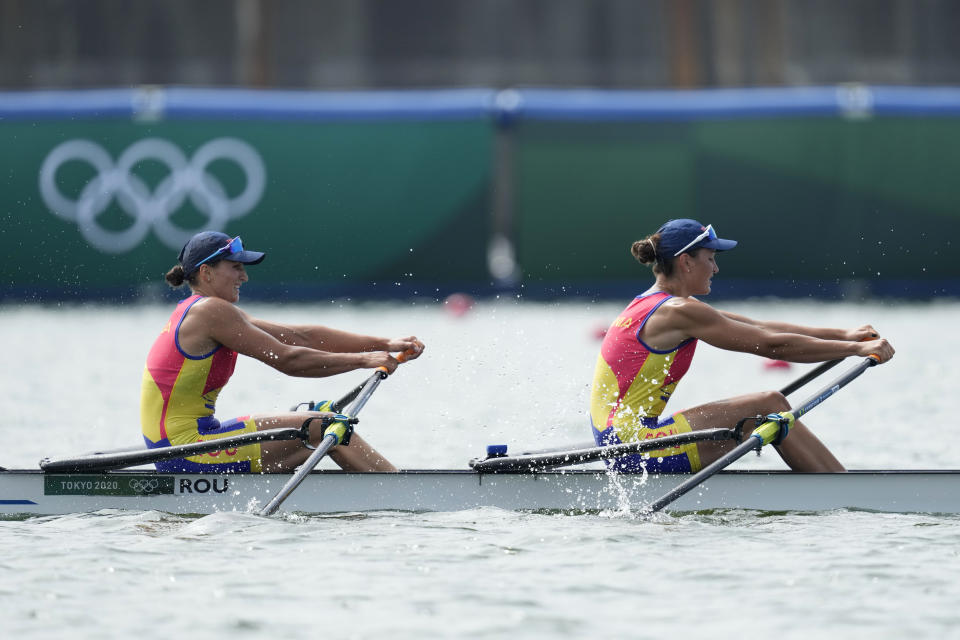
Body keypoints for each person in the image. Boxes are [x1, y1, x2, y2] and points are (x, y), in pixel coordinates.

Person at [589, 219, 894, 473]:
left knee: (766, 408)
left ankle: (835, 484)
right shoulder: (677, 312)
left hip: (624, 441)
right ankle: (842, 491)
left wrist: (845, 335)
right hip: (635, 445)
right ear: (686, 262)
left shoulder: (656, 305)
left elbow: (761, 327)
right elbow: (773, 347)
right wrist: (855, 351)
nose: (716, 268)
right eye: (710, 258)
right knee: (769, 404)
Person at [140, 231, 424, 473]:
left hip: (186, 442)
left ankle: (386, 489)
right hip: (185, 449)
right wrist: (363, 360)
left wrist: (385, 344)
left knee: (316, 420)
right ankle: (407, 500)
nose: (245, 276)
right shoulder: (210, 312)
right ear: (207, 272)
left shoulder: (206, 310)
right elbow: (289, 360)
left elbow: (302, 337)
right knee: (326, 426)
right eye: (236, 267)